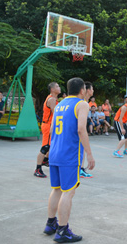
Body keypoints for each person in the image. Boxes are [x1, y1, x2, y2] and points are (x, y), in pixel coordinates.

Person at [44, 77, 95, 242]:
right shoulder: (82, 104)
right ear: (82, 90)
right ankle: (63, 230)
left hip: (55, 153)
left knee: (56, 189)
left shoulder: (59, 105)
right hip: (69, 155)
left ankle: (51, 223)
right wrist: (89, 154)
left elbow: (52, 129)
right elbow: (81, 129)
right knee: (68, 192)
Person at [34, 82, 60, 178]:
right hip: (48, 125)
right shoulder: (52, 99)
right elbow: (56, 114)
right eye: (57, 86)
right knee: (45, 147)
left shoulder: (54, 99)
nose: (59, 88)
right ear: (52, 89)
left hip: (50, 124)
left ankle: (45, 160)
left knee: (50, 145)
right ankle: (37, 169)